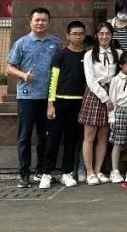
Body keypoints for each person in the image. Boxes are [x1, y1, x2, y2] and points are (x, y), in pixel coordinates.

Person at [6, 7, 62, 188]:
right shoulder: (21, 43)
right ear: (30, 22)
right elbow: (9, 68)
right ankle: (24, 174)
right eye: (37, 20)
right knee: (25, 136)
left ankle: (41, 171)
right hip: (27, 97)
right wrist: (23, 75)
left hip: (48, 98)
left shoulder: (55, 43)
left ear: (49, 22)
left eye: (44, 20)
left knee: (44, 136)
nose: (40, 23)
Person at [43, 20, 86, 189]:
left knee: (71, 139)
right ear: (67, 36)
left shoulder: (87, 56)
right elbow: (53, 80)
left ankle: (66, 172)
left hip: (78, 103)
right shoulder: (60, 55)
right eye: (74, 34)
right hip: (59, 102)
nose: (78, 37)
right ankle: (46, 173)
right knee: (53, 139)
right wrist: (50, 104)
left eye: (81, 34)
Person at [79, 22, 118, 185]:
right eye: (101, 33)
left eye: (107, 33)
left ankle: (98, 169)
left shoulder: (118, 53)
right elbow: (90, 80)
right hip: (95, 94)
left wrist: (111, 98)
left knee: (103, 136)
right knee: (89, 136)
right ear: (96, 35)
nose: (104, 36)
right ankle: (89, 171)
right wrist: (104, 98)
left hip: (112, 92)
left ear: (112, 35)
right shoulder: (89, 55)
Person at [107, 50, 127, 184]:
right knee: (118, 142)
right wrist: (111, 118)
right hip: (120, 111)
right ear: (121, 65)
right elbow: (112, 99)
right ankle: (114, 170)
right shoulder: (115, 80)